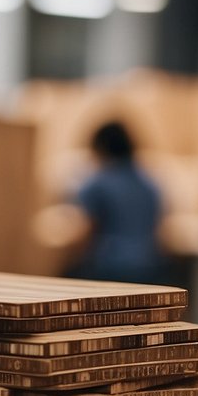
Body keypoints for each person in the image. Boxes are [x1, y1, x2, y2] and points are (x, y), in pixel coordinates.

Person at [70, 120, 168, 284]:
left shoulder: (99, 182)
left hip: (110, 266)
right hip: (148, 265)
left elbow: (87, 230)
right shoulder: (150, 183)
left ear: (100, 149)